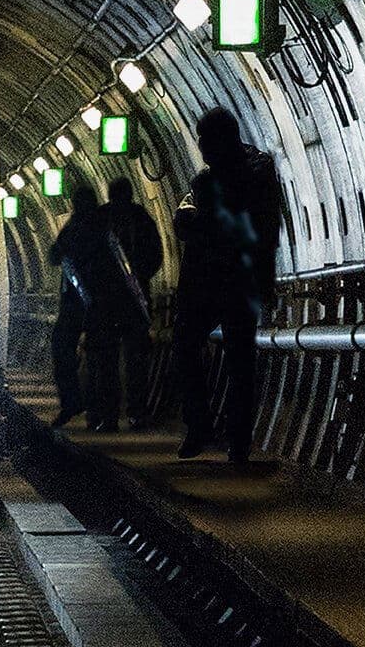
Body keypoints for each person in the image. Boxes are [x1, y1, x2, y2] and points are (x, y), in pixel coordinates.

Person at [175, 108, 286, 463]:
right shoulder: (212, 180)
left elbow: (241, 227)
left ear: (222, 140)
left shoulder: (247, 176)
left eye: (205, 140)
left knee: (233, 360)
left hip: (235, 280)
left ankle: (229, 438)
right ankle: (211, 430)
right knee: (212, 354)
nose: (201, 147)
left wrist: (201, 220)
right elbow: (186, 221)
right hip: (219, 283)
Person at [50, 191, 143, 431]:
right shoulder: (104, 227)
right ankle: (102, 414)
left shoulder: (79, 227)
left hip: (88, 303)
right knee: (103, 360)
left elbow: (55, 254)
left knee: (82, 354)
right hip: (103, 304)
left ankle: (84, 407)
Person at [105, 178, 164, 424]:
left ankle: (109, 414)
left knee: (108, 359)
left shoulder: (102, 218)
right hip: (134, 300)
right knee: (134, 359)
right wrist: (140, 277)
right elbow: (156, 255)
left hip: (108, 302)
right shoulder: (141, 219)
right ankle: (135, 411)